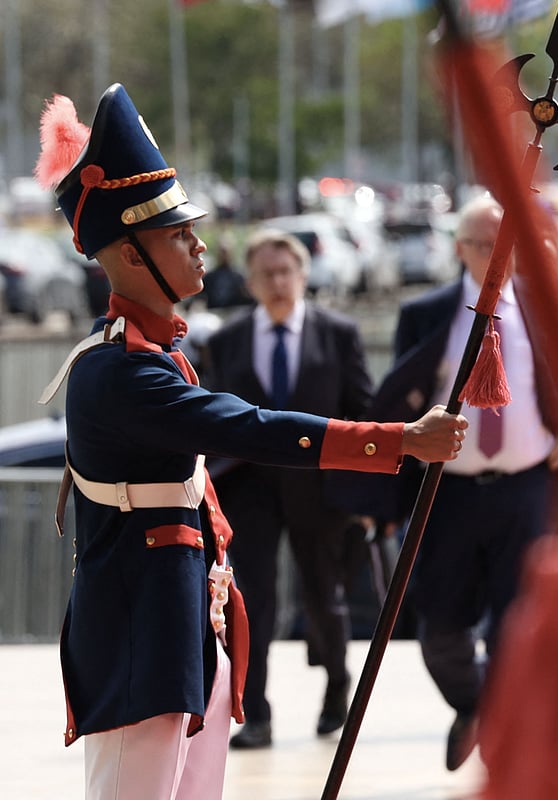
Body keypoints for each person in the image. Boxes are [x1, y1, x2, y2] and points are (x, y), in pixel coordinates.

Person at [32, 83, 467, 800]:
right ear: (131, 254)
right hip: (142, 640)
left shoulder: (153, 351)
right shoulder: (120, 370)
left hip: (177, 631)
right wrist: (398, 441)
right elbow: (251, 426)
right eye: (179, 235)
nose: (201, 246)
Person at [366, 192, 558, 772]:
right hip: (447, 491)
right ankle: (476, 704)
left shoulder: (539, 306)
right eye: (484, 244)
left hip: (526, 488)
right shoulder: (425, 314)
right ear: (459, 248)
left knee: (518, 619)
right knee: (440, 628)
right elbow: (398, 398)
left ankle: (507, 733)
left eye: (507, 245)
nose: (496, 256)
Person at [202, 227, 375, 749]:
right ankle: (255, 714)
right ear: (251, 283)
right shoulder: (227, 342)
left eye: (286, 272)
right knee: (250, 603)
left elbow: (362, 411)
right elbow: (208, 416)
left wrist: (365, 494)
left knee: (325, 596)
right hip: (249, 490)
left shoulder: (337, 333)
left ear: (302, 276)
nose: (278, 282)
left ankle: (336, 692)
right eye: (267, 274)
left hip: (319, 491)